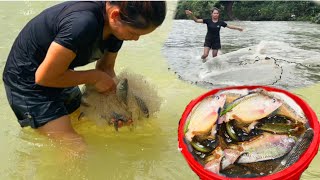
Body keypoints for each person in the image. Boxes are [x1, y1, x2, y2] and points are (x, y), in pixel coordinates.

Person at [2, 1, 166, 149]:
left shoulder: (116, 29)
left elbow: (106, 69)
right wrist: (94, 77)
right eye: (133, 33)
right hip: (27, 83)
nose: (136, 39)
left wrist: (118, 108)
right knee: (76, 147)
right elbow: (44, 77)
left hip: (59, 74)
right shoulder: (82, 23)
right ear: (115, 15)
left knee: (82, 121)